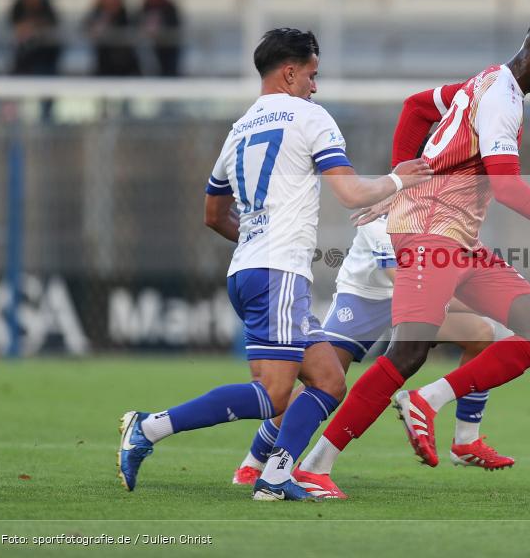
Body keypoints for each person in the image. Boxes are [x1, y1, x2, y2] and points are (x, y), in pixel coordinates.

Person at [293, 17, 530, 497]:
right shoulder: (500, 98)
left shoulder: (485, 83)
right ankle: (314, 465)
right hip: (430, 233)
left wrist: (398, 178)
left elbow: (415, 107)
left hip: (457, 238)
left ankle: (429, 401)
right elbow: (508, 187)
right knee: (409, 349)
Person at [117, 28, 433, 501]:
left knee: (328, 380)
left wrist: (256, 238)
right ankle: (150, 427)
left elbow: (212, 215)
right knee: (273, 396)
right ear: (290, 72)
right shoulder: (310, 117)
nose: (315, 85)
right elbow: (350, 194)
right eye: (312, 74)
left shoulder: (239, 128)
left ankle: (276, 477)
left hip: (248, 270)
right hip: (278, 273)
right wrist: (397, 179)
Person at [232, 214, 515, 497]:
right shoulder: (381, 216)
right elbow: (406, 283)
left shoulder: (445, 213)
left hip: (415, 298)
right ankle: (255, 460)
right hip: (364, 298)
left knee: (480, 333)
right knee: (322, 382)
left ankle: (466, 440)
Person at [8, 0, 62, 120]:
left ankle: (46, 132)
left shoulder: (46, 6)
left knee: (46, 106)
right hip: (23, 62)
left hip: (45, 62)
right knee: (13, 101)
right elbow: (13, 26)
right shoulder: (18, 6)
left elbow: (52, 24)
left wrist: (33, 27)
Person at [83, 0, 140, 76]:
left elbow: (133, 32)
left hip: (125, 63)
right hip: (103, 62)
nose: (111, 2)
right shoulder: (97, 14)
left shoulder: (127, 15)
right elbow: (85, 28)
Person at [138, 0, 181, 77]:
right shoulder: (146, 6)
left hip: (169, 46)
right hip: (151, 46)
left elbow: (174, 25)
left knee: (168, 70)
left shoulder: (169, 7)